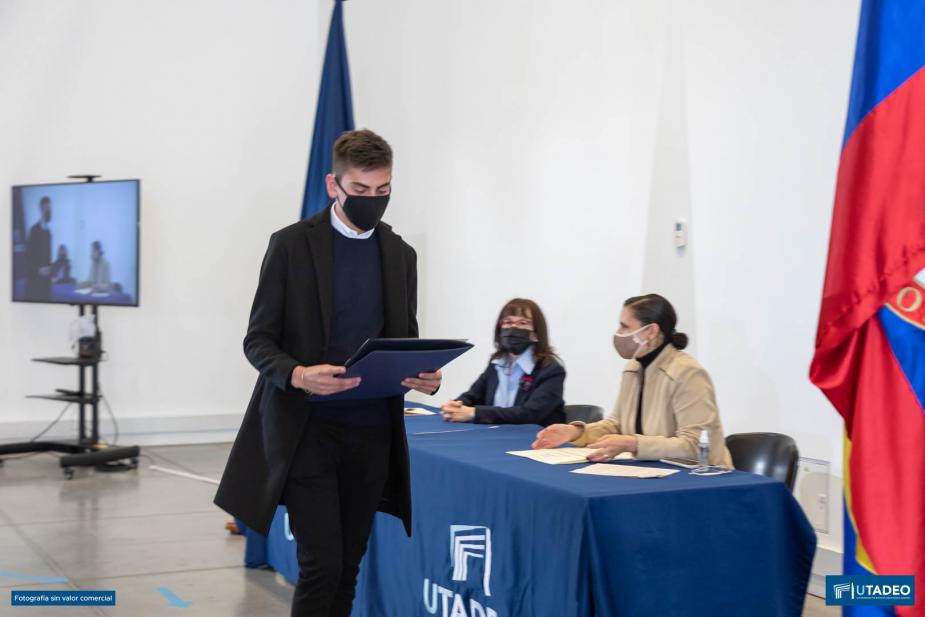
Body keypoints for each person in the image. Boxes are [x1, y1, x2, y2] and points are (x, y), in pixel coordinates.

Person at [214, 129, 442, 617]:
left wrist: (423, 374)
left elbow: (404, 340)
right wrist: (298, 374)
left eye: (383, 190)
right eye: (360, 189)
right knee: (321, 565)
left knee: (348, 566)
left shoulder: (400, 255)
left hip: (372, 433)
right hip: (307, 430)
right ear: (333, 184)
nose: (372, 200)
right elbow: (257, 341)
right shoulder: (291, 245)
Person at [532, 293, 733, 466]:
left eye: (624, 326)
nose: (618, 333)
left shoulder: (687, 373)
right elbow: (616, 425)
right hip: (655, 473)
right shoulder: (633, 368)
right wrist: (574, 432)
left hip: (702, 480)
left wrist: (633, 444)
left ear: (651, 331)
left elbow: (696, 445)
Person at [441, 298, 565, 426]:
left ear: (536, 333)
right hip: (496, 434)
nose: (514, 327)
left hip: (536, 436)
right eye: (508, 322)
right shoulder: (497, 363)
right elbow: (473, 396)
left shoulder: (551, 370)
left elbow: (529, 414)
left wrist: (474, 413)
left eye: (523, 323)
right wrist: (455, 406)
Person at [24, 196, 53, 301]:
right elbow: (28, 255)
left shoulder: (49, 232)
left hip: (46, 282)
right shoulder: (34, 230)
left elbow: (48, 255)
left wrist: (49, 268)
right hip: (35, 281)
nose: (49, 211)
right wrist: (38, 269)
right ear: (41, 210)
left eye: (50, 208)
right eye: (46, 208)